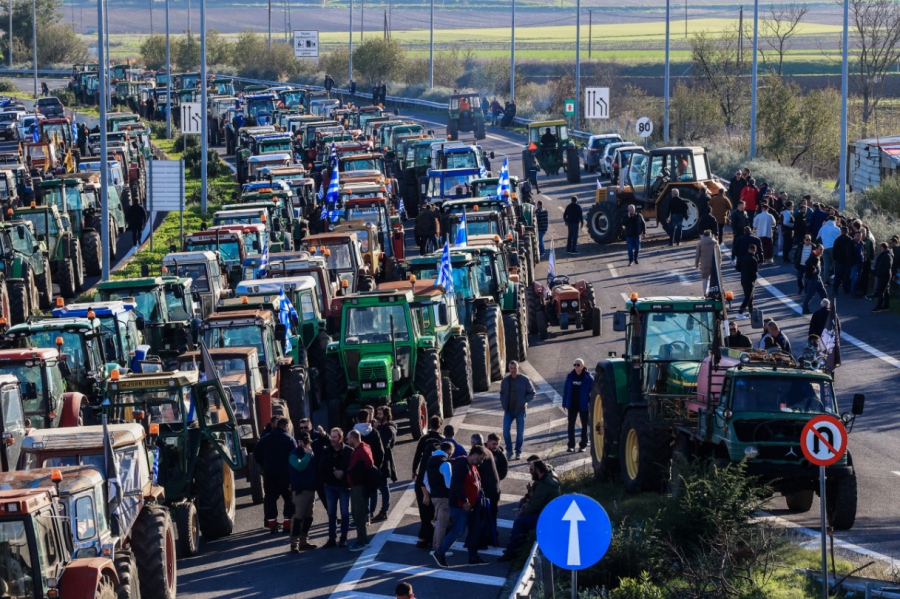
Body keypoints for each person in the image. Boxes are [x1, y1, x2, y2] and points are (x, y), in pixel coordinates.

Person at [431, 446, 489, 568]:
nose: (481, 461)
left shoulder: (472, 466)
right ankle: (440, 552)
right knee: (458, 530)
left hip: (471, 506)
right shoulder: (462, 465)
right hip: (460, 506)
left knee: (474, 530)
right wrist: (464, 500)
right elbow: (456, 484)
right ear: (474, 454)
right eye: (481, 458)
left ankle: (473, 557)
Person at [497, 459, 561, 562]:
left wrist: (523, 513)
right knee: (522, 508)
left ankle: (512, 552)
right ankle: (519, 544)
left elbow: (536, 505)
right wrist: (526, 504)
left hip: (547, 516)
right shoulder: (544, 480)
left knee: (519, 522)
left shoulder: (545, 484)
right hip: (544, 512)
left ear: (538, 470)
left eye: (531, 470)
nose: (530, 472)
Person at [253, 418, 297, 533]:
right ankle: (287, 524)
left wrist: (263, 465)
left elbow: (256, 453)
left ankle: (272, 525)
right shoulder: (289, 439)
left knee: (270, 499)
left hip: (269, 474)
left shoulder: (266, 438)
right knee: (289, 498)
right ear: (287, 426)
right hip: (286, 475)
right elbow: (295, 456)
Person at [411, 416, 443, 549]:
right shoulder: (442, 440)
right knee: (432, 512)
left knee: (424, 511)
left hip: (422, 480)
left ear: (430, 425)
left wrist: (414, 470)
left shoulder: (423, 439)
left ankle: (425, 538)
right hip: (435, 481)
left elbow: (417, 455)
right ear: (439, 426)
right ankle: (427, 537)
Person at [319, 427, 353, 548]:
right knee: (331, 513)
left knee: (345, 513)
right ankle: (332, 538)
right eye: (331, 437)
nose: (332, 439)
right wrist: (325, 482)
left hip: (343, 486)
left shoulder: (349, 451)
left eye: (335, 437)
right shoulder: (327, 451)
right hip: (330, 486)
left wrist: (343, 473)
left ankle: (343, 538)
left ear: (341, 438)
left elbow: (353, 467)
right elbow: (321, 468)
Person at [288, 432, 318, 553]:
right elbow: (300, 467)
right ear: (299, 442)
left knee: (308, 518)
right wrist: (307, 455)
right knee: (297, 518)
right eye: (305, 442)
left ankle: (304, 541)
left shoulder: (310, 453)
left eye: (308, 442)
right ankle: (294, 543)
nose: (307, 445)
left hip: (311, 489)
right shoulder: (293, 455)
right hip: (300, 492)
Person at [346, 429, 375, 551]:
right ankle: (361, 539)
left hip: (360, 486)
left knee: (359, 514)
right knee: (355, 512)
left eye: (348, 439)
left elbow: (369, 463)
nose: (347, 441)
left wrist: (360, 473)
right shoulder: (359, 449)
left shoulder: (362, 449)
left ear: (353, 438)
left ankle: (362, 540)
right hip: (355, 486)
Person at [353, 409, 384, 522]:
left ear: (357, 419)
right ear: (368, 419)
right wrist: (377, 466)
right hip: (372, 466)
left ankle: (365, 513)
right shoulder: (374, 432)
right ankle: (371, 512)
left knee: (362, 491)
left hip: (358, 467)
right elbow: (381, 451)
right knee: (373, 490)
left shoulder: (353, 433)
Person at [500, 361, 534, 461]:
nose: (513, 370)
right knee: (506, 430)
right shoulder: (505, 381)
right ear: (509, 369)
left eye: (514, 368)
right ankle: (509, 451)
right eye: (511, 368)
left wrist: (524, 401)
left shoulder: (524, 379)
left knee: (520, 433)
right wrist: (503, 403)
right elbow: (502, 393)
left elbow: (532, 392)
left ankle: (518, 451)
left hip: (520, 410)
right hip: (508, 411)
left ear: (518, 368)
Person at [424, 441, 453, 553]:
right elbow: (449, 484)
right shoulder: (446, 463)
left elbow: (425, 479)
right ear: (449, 451)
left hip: (434, 496)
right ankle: (439, 549)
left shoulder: (430, 460)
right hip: (444, 497)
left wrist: (432, 491)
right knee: (442, 524)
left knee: (438, 523)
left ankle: (435, 546)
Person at [371, 406, 397, 523]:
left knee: (384, 487)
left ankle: (384, 511)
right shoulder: (383, 428)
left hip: (384, 462)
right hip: (379, 461)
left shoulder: (389, 429)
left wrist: (376, 430)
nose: (377, 416)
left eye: (380, 414)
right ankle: (372, 510)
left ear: (386, 415)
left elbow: (383, 444)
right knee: (377, 487)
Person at [562, 359, 593, 452]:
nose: (576, 366)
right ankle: (571, 445)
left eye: (578, 365)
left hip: (584, 405)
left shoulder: (588, 378)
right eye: (574, 364)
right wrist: (564, 403)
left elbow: (594, 392)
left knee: (584, 426)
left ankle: (583, 445)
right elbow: (566, 390)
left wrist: (590, 403)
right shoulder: (570, 376)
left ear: (583, 366)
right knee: (571, 425)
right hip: (572, 405)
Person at [483, 433, 507, 533]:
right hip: (481, 488)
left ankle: (492, 533)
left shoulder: (500, 456)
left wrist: (495, 478)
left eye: (497, 444)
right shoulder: (481, 452)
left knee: (493, 512)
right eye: (493, 444)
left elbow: (504, 471)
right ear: (488, 442)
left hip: (493, 489)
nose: (495, 446)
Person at [801, 245, 828, 315]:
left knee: (823, 293)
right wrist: (813, 268)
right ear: (816, 249)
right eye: (820, 249)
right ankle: (805, 309)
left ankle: (826, 307)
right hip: (813, 279)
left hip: (817, 278)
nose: (821, 251)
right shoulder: (813, 256)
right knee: (809, 295)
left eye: (822, 249)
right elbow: (807, 263)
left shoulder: (817, 256)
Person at [736, 244, 759, 319]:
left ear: (748, 250)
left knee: (750, 297)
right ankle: (740, 312)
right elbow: (755, 272)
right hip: (750, 280)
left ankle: (751, 312)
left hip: (743, 279)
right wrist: (754, 278)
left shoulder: (744, 258)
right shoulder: (754, 259)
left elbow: (738, 268)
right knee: (748, 297)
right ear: (755, 250)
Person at [817, 217, 840, 283]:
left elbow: (818, 237)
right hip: (833, 248)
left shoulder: (823, 228)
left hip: (824, 248)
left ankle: (826, 279)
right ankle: (835, 278)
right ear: (835, 220)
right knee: (835, 263)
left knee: (826, 264)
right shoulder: (836, 229)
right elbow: (840, 237)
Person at [871, 242, 893, 312]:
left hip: (884, 275)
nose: (879, 249)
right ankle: (886, 305)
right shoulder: (882, 255)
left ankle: (879, 306)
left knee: (880, 290)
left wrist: (880, 272)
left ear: (884, 248)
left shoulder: (887, 255)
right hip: (882, 275)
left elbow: (888, 266)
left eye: (880, 247)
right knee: (886, 290)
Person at [832, 226, 853, 295]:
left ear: (841, 231)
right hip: (847, 261)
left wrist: (835, 258)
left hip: (839, 260)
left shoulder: (837, 240)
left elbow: (834, 251)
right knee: (846, 276)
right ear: (847, 232)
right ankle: (845, 289)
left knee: (837, 276)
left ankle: (835, 290)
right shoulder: (850, 240)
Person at [694, 230, 717, 295]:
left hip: (704, 263)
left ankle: (705, 293)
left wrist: (696, 264)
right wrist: (719, 262)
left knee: (705, 278)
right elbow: (719, 253)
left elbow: (697, 255)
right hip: (714, 263)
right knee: (714, 278)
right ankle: (713, 292)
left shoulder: (701, 243)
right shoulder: (715, 242)